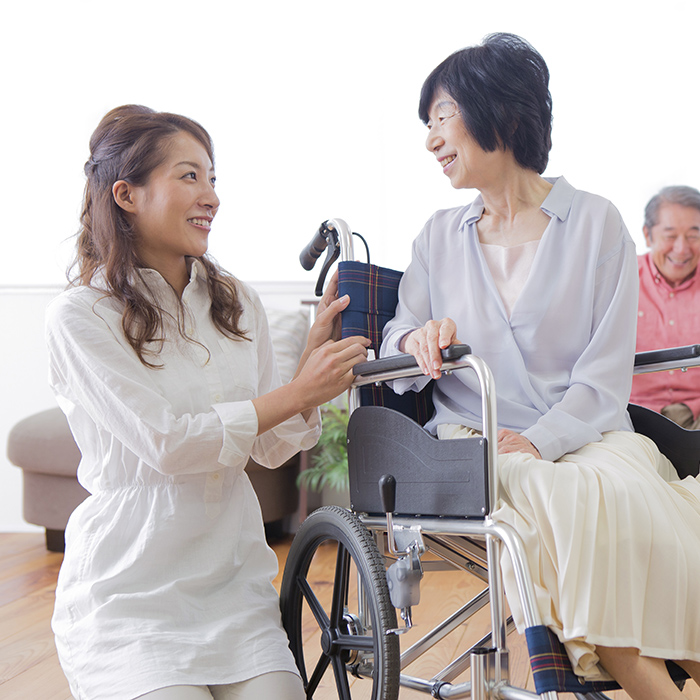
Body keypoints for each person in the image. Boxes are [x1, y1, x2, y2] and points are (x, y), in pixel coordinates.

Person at [380, 33, 700, 699]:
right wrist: (417, 339)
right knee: (571, 498)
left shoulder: (596, 223)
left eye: (441, 117)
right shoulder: (439, 236)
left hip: (585, 432)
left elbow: (605, 375)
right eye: (427, 124)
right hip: (476, 440)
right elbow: (394, 346)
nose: (431, 140)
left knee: (634, 494)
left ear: (496, 110)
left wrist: (544, 437)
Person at [45, 105, 370, 700]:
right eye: (189, 176)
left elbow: (270, 449)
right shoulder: (80, 316)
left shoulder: (236, 302)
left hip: (233, 588)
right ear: (126, 194)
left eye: (213, 178)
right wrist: (296, 392)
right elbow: (169, 444)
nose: (211, 196)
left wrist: (308, 381)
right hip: (129, 595)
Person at [630, 186, 700, 428]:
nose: (681, 249)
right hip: (633, 416)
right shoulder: (619, 279)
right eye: (670, 235)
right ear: (648, 235)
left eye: (693, 235)